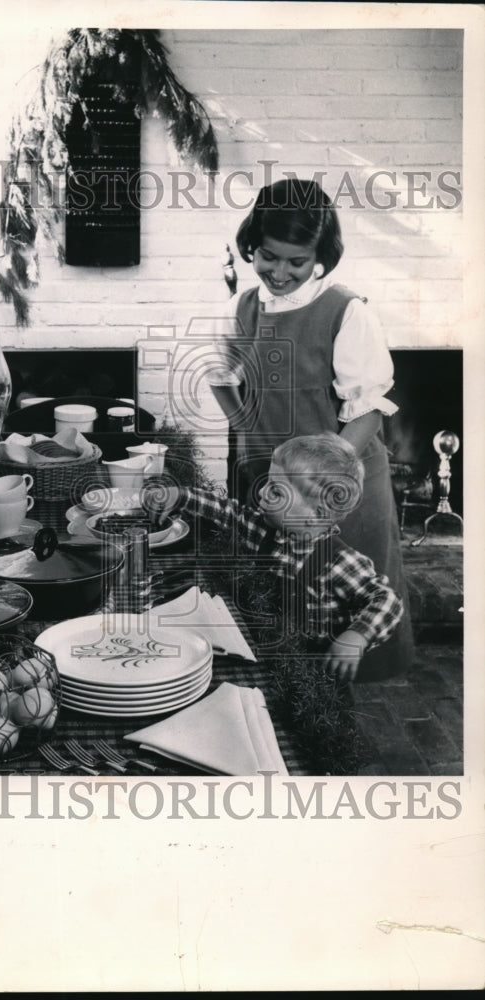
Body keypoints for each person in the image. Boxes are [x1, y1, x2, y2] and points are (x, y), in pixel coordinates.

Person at [207, 177, 414, 681]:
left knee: (347, 590)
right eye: (268, 257)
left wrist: (325, 472)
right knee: (279, 593)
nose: (280, 272)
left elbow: (369, 406)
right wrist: (248, 429)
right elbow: (220, 376)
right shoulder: (243, 307)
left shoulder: (346, 311)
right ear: (251, 246)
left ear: (320, 255)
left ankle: (350, 685)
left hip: (340, 481)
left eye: (296, 262)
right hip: (268, 473)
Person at [144, 433, 404, 682]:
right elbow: (224, 511)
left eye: (276, 492)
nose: (261, 493)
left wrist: (356, 636)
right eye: (267, 483)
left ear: (317, 514)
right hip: (258, 653)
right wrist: (180, 496)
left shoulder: (339, 562)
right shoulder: (262, 529)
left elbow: (387, 600)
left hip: (309, 677)